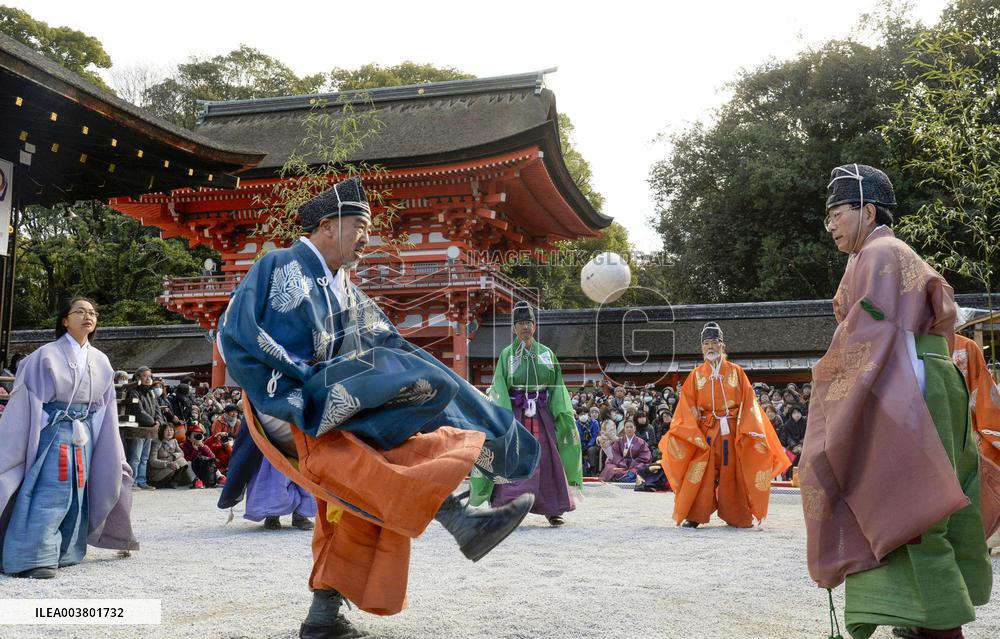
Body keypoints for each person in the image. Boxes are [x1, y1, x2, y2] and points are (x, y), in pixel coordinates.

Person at [216, 176, 539, 638]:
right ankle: (459, 519)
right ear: (327, 226)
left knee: (369, 480)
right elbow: (236, 332)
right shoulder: (279, 264)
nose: (368, 238)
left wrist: (448, 386)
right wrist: (303, 380)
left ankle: (324, 614)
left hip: (340, 400)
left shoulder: (346, 286)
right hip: (289, 402)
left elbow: (389, 340)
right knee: (369, 467)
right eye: (361, 226)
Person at [800, 164, 992, 639]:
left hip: (904, 383)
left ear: (867, 210)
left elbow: (872, 337)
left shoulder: (880, 253)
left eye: (836, 213)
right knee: (912, 504)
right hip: (917, 377)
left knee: (909, 504)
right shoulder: (879, 253)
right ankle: (918, 620)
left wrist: (833, 388)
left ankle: (939, 626)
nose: (830, 225)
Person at [0, 297, 138, 578]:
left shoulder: (101, 360)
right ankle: (32, 556)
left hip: (84, 433)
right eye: (80, 312)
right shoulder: (45, 355)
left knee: (79, 492)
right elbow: (28, 399)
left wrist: (108, 447)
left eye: (92, 313)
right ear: (65, 319)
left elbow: (105, 407)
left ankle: (65, 551)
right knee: (52, 489)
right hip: (55, 431)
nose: (88, 316)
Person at [659, 322, 789, 528]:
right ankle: (695, 515)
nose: (710, 347)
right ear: (702, 348)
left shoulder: (736, 372)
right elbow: (687, 405)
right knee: (702, 470)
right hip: (707, 431)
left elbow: (749, 403)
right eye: (706, 343)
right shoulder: (695, 375)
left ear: (722, 345)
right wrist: (691, 431)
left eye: (714, 343)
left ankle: (736, 515)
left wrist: (750, 429)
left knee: (733, 472)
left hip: (732, 430)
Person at [470, 301, 583, 527]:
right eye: (521, 323)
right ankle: (508, 506)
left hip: (541, 412)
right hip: (516, 412)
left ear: (535, 326)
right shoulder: (507, 355)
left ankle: (553, 508)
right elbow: (499, 385)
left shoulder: (546, 354)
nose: (525, 327)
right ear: (513, 328)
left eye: (529, 322)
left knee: (548, 455)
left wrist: (562, 412)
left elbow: (557, 386)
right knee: (513, 455)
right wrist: (502, 416)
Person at [951, 332, 1000, 554]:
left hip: (961, 435)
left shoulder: (966, 348)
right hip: (960, 438)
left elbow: (982, 398)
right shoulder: (965, 347)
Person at [124, 366, 162, 490]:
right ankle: (132, 481)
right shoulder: (133, 391)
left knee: (144, 457)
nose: (148, 378)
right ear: (138, 377)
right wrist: (152, 422)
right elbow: (138, 411)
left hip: (150, 429)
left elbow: (157, 409)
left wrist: (158, 421)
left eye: (149, 376)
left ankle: (142, 480)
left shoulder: (150, 392)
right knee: (135, 457)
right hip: (138, 429)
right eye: (145, 376)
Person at [148, 423, 198, 489]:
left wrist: (174, 456)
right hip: (158, 472)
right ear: (162, 431)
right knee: (182, 461)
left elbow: (181, 453)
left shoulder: (174, 441)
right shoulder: (157, 442)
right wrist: (167, 464)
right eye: (167, 430)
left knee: (184, 462)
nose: (169, 432)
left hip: (169, 469)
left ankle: (174, 482)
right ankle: (165, 483)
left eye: (171, 430)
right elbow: (152, 461)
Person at [180, 423, 224, 488]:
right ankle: (196, 481)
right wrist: (195, 450)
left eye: (199, 435)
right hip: (190, 472)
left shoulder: (203, 446)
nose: (198, 437)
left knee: (210, 461)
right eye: (195, 435)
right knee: (188, 463)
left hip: (202, 470)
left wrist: (203, 448)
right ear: (189, 437)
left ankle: (220, 478)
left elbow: (213, 457)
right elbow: (185, 460)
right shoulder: (182, 446)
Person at [778, 404, 807, 480]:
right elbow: (787, 438)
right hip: (791, 448)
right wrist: (795, 446)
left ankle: (804, 478)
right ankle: (791, 477)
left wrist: (801, 445)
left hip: (804, 446)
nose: (797, 414)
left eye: (798, 412)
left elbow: (808, 435)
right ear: (791, 414)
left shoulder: (806, 423)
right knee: (792, 458)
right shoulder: (787, 425)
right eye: (794, 413)